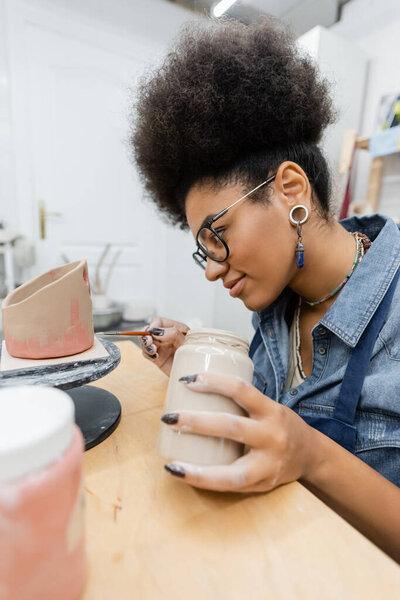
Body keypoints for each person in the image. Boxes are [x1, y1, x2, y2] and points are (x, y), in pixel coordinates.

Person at [130, 18, 400, 562]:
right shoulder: (277, 306)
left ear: (290, 190)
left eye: (219, 235)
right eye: (204, 248)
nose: (211, 269)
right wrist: (198, 374)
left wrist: (313, 456)